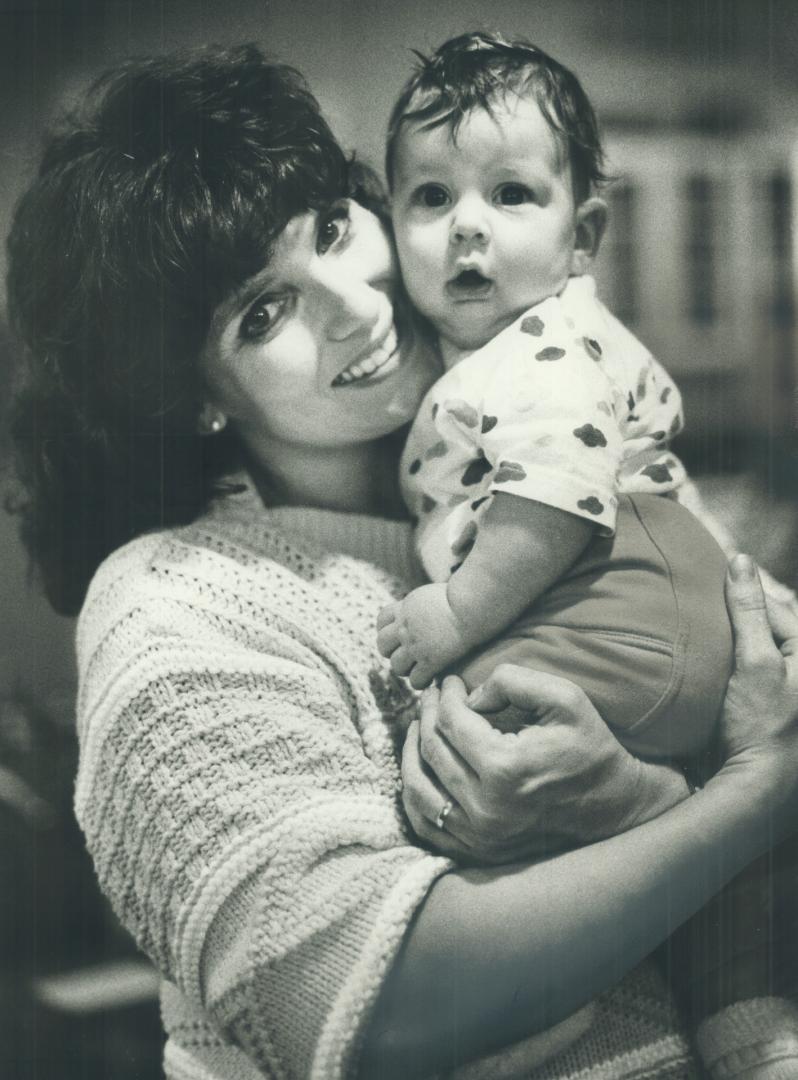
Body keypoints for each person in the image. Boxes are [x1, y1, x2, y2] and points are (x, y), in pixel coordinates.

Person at [7, 43, 798, 1080]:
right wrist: (756, 791)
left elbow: (745, 704)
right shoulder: (175, 606)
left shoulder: (520, 464)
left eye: (336, 229)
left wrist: (646, 801)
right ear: (195, 399)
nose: (355, 303)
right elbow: (367, 1011)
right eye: (265, 311)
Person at [376, 32, 790, 761]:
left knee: (451, 737)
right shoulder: (494, 352)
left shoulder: (546, 350)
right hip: (633, 616)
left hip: (621, 616)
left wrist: (455, 612)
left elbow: (553, 494)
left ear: (582, 235)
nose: (467, 224)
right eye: (432, 196)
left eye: (511, 193)